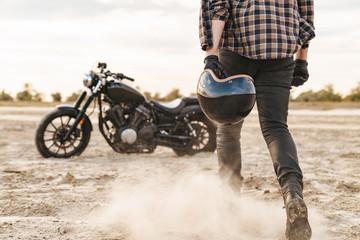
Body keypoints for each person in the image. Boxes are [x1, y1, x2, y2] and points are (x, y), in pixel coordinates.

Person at [198, 1, 315, 239]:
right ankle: (293, 194)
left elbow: (218, 8)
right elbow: (306, 15)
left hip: (237, 48)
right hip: (280, 48)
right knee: (276, 128)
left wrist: (211, 55)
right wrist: (302, 59)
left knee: (228, 128)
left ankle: (230, 204)